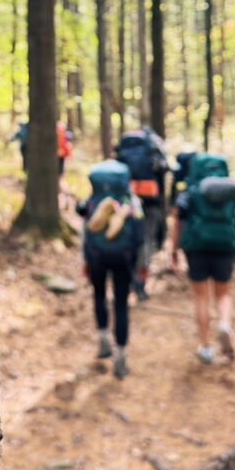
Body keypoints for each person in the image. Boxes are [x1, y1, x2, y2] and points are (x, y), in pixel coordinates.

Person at [170, 152, 235, 364]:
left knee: (201, 297)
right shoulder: (232, 191)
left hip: (197, 248)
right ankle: (224, 324)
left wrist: (174, 251)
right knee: (223, 293)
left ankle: (205, 347)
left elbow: (178, 222)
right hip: (224, 247)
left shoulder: (189, 193)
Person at [77, 159, 144, 379]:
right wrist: (139, 265)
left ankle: (104, 340)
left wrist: (84, 259)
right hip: (123, 257)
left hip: (96, 255)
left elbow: (84, 233)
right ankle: (121, 356)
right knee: (121, 303)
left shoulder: (90, 202)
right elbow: (140, 236)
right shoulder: (132, 202)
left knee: (99, 295)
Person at [114, 127, 169, 300]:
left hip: (127, 203)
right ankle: (140, 282)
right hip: (151, 204)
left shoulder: (124, 150)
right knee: (146, 241)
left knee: (128, 240)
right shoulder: (155, 150)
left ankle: (128, 280)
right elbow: (162, 178)